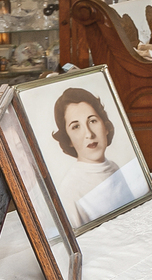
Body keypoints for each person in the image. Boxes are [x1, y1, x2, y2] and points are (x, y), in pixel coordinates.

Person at [50, 87, 146, 226]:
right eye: (76, 126)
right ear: (68, 139)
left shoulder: (114, 168)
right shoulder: (69, 191)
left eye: (93, 121)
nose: (89, 134)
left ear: (105, 126)